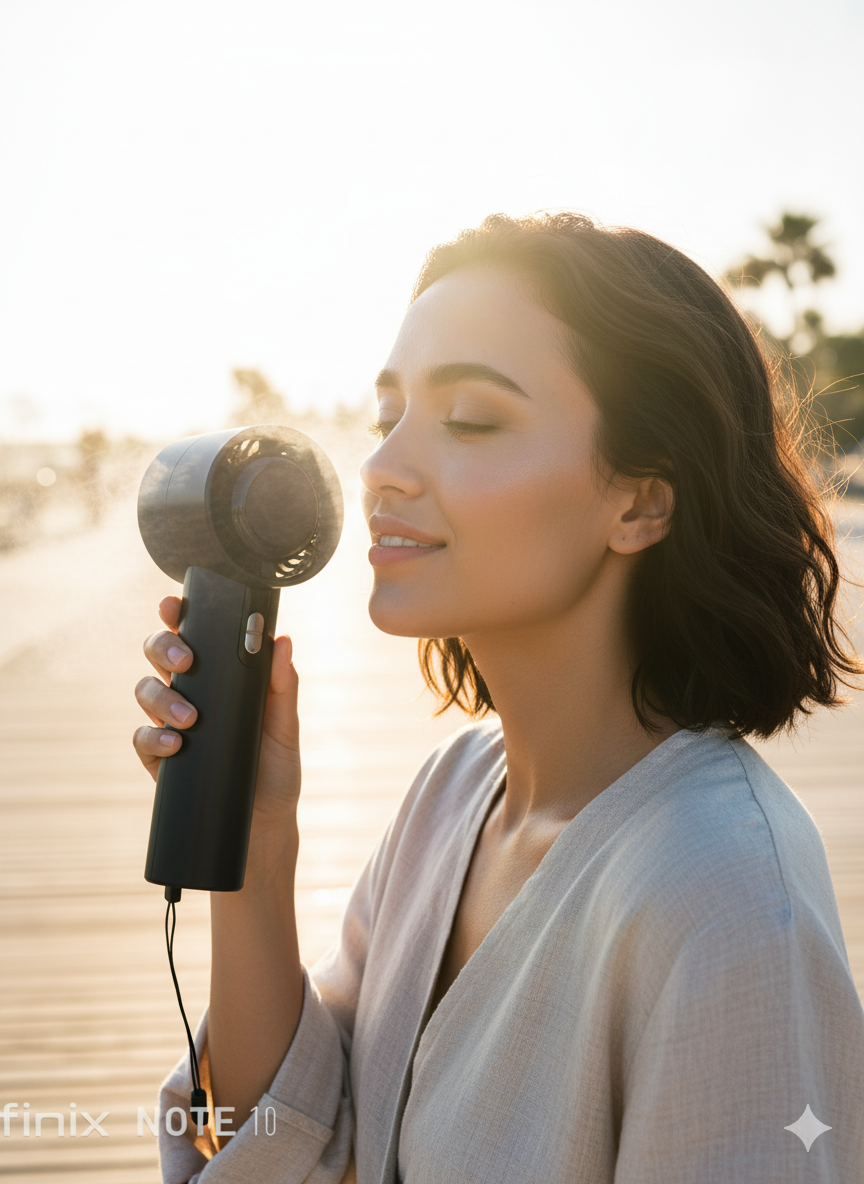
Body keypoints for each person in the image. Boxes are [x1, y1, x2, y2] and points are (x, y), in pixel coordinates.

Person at [134, 212, 864, 1183]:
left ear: (641, 500)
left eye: (471, 418)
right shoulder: (455, 790)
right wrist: (258, 857)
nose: (383, 466)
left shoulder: (729, 905)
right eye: (387, 413)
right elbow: (304, 1147)